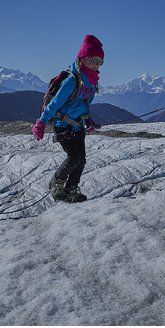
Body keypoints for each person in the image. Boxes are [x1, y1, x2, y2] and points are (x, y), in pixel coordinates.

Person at [32, 35, 103, 203]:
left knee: (82, 160)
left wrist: (89, 120)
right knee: (74, 158)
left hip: (78, 126)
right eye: (94, 60)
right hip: (62, 125)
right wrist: (41, 123)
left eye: (100, 61)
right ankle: (56, 182)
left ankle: (72, 189)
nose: (97, 64)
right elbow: (55, 104)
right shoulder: (72, 80)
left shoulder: (92, 83)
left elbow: (85, 105)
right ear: (83, 59)